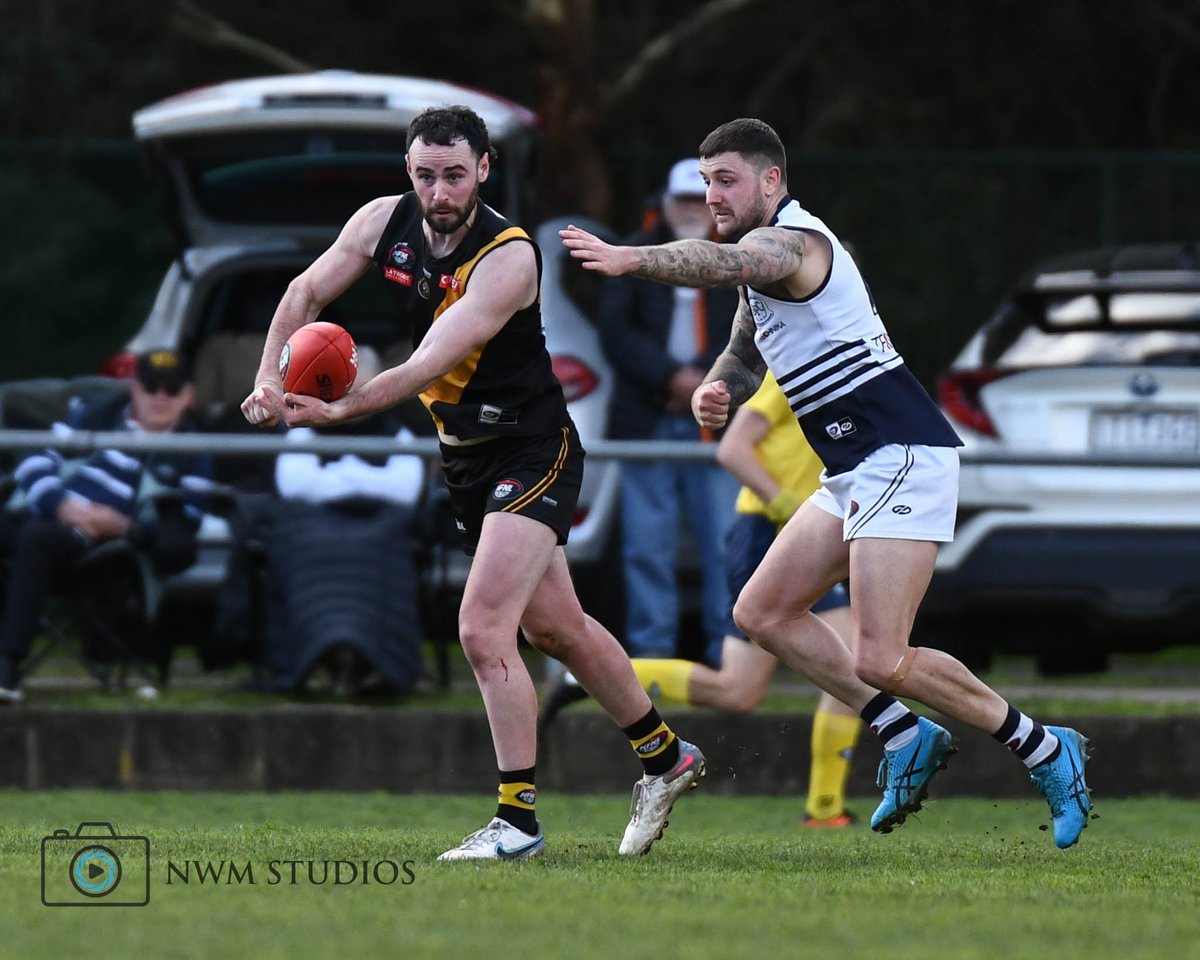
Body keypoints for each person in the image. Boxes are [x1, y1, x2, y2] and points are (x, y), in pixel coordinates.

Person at [560, 118, 1093, 849]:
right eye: (707, 180)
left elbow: (717, 267)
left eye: (727, 180)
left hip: (902, 453)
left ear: (771, 181)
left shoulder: (795, 242)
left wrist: (631, 259)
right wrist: (717, 390)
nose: (713, 195)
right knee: (762, 612)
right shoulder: (762, 269)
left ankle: (1045, 748)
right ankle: (904, 734)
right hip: (853, 469)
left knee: (882, 656)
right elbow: (746, 353)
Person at [241, 105, 706, 861]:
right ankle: (665, 757)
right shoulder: (380, 222)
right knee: (556, 628)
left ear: (484, 170)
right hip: (464, 457)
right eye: (425, 174)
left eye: (455, 174)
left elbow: (428, 361)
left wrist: (336, 411)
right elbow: (303, 293)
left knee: (482, 626)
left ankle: (517, 823)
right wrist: (268, 380)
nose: (439, 191)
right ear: (409, 172)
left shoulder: (509, 255)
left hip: (533, 447)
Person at [541, 373, 863, 827]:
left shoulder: (849, 368)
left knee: (798, 679)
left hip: (796, 534)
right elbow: (733, 449)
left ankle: (825, 808)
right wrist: (790, 507)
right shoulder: (796, 367)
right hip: (769, 534)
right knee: (744, 688)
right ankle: (589, 674)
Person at [0, 349, 213, 702]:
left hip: (103, 552)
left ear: (188, 396)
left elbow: (180, 538)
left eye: (171, 389)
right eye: (151, 386)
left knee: (38, 539)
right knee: (33, 534)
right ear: (134, 388)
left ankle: (7, 669)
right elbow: (32, 459)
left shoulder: (193, 453)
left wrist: (126, 528)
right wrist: (61, 504)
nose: (160, 397)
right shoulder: (98, 413)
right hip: (48, 513)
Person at [596, 158, 740, 665]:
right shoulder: (633, 253)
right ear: (664, 204)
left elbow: (750, 328)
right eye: (680, 200)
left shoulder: (737, 258)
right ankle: (653, 655)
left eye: (696, 199)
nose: (688, 210)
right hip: (647, 420)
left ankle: (726, 653)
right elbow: (614, 332)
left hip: (716, 425)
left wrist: (704, 377)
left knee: (725, 544)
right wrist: (671, 378)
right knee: (645, 546)